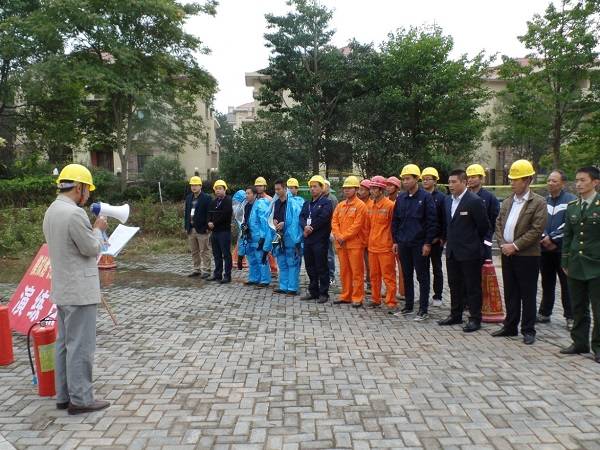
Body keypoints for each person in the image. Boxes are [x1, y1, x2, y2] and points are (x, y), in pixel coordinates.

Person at [42, 164, 110, 415]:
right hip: (80, 291)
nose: (88, 195)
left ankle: (64, 396)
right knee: (80, 346)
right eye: (87, 189)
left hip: (63, 289)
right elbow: (90, 248)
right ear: (79, 187)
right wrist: (98, 229)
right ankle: (81, 399)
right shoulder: (75, 214)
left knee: (64, 344)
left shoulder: (52, 210)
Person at [493, 160, 547, 345]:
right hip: (507, 253)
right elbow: (498, 223)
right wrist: (502, 244)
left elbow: (536, 229)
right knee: (511, 292)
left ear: (527, 180)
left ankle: (528, 329)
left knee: (528, 293)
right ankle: (510, 325)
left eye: (516, 179)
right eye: (511, 179)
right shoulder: (508, 201)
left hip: (527, 256)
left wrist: (515, 246)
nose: (512, 182)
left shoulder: (538, 202)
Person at [438, 169, 489, 332]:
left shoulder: (474, 201)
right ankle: (455, 314)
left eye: (454, 182)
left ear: (464, 182)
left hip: (470, 252)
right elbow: (448, 224)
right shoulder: (447, 200)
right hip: (452, 251)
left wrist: (474, 243)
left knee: (472, 287)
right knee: (454, 285)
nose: (451, 185)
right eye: (449, 182)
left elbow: (483, 226)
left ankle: (475, 318)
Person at [560, 166, 600, 364]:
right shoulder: (573, 206)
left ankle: (598, 346)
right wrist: (565, 260)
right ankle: (579, 342)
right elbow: (568, 236)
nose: (578, 184)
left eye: (583, 180)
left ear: (595, 182)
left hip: (596, 265)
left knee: (598, 309)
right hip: (576, 264)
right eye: (577, 180)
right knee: (578, 306)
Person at [392, 164, 437, 321]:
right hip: (404, 243)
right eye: (403, 179)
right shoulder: (401, 198)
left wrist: (428, 243)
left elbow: (432, 222)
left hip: (419, 244)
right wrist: (396, 241)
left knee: (422, 277)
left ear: (416, 179)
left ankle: (423, 309)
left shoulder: (426, 198)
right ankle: (408, 306)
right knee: (406, 275)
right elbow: (395, 221)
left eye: (408, 179)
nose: (405, 182)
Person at [537, 170, 577, 329]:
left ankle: (571, 316)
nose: (550, 183)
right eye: (549, 180)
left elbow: (570, 223)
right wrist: (544, 237)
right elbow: (538, 221)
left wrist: (553, 239)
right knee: (547, 282)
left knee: (566, 284)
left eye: (554, 181)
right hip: (545, 250)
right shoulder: (543, 201)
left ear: (563, 183)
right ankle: (545, 312)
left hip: (563, 250)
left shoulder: (571, 201)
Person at [331, 176, 367, 308]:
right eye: (345, 188)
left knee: (357, 272)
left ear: (356, 189)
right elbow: (334, 221)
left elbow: (357, 225)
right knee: (344, 271)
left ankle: (357, 297)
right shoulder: (340, 205)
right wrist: (338, 235)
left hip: (354, 245)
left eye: (349, 188)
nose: (346, 190)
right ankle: (346, 295)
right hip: (341, 245)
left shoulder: (361, 206)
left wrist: (343, 237)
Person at [266, 180, 304, 296]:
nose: (277, 191)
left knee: (292, 262)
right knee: (281, 262)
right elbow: (271, 216)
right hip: (278, 236)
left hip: (290, 237)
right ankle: (283, 286)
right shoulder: (276, 203)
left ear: (284, 188)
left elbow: (296, 220)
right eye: (275, 189)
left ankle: (292, 288)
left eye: (279, 189)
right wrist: (273, 221)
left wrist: (285, 224)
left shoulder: (292, 203)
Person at [300, 175, 333, 303]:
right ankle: (313, 291)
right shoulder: (307, 203)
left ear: (321, 188)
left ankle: (324, 293)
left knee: (321, 266)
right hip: (308, 240)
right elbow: (301, 217)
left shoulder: (326, 203)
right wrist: (305, 226)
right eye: (311, 187)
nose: (312, 189)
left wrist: (311, 228)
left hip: (320, 240)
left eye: (315, 186)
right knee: (310, 266)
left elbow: (324, 218)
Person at [365, 176, 397, 311]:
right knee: (374, 275)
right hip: (372, 247)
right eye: (371, 188)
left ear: (381, 190)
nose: (372, 191)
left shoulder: (390, 205)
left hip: (385, 247)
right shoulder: (370, 206)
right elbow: (367, 227)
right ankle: (375, 299)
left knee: (388, 276)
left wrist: (394, 243)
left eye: (375, 188)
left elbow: (395, 226)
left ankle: (391, 301)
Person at [421, 167, 446, 307]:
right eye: (423, 179)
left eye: (428, 179)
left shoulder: (441, 198)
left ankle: (438, 295)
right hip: (422, 240)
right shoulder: (419, 196)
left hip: (436, 241)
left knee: (437, 269)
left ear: (435, 181)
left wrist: (442, 237)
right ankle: (424, 295)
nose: (425, 181)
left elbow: (444, 219)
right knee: (422, 270)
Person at [467, 164, 500, 260]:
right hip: (467, 242)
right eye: (468, 177)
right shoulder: (464, 197)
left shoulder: (490, 198)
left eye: (473, 177)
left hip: (483, 242)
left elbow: (495, 220)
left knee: (485, 267)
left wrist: (487, 238)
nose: (470, 179)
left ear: (481, 179)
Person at [241, 186, 271, 287]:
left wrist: (263, 237)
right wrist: (244, 227)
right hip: (249, 236)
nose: (246, 195)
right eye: (246, 193)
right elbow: (246, 220)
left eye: (248, 193)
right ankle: (254, 278)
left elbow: (264, 222)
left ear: (254, 195)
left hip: (258, 236)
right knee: (252, 259)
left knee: (261, 258)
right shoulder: (247, 206)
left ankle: (264, 280)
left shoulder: (260, 205)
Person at [184, 176, 212, 279]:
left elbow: (209, 213)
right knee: (194, 251)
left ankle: (207, 270)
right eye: (192, 185)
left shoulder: (207, 198)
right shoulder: (189, 198)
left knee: (204, 251)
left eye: (196, 185)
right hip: (191, 229)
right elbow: (186, 213)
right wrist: (186, 226)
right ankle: (196, 270)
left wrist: (208, 227)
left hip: (202, 229)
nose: (194, 187)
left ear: (200, 186)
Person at [207, 180, 233, 283]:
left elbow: (225, 215)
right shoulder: (213, 202)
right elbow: (209, 213)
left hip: (224, 232)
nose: (217, 191)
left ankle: (227, 275)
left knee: (226, 254)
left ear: (225, 189)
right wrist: (209, 222)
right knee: (216, 254)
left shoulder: (228, 201)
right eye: (216, 189)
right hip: (214, 232)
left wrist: (214, 223)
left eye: (220, 189)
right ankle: (217, 274)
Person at [357, 179, 373, 293]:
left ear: (369, 191)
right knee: (357, 264)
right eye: (359, 189)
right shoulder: (357, 203)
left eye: (363, 190)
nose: (360, 192)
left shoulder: (372, 205)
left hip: (369, 239)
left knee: (369, 263)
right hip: (357, 238)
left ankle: (370, 283)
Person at [323, 179, 338, 286]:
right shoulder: (319, 198)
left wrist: (333, 231)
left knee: (329, 254)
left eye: (324, 185)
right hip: (321, 231)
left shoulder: (332, 199)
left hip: (329, 230)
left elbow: (335, 216)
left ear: (328, 187)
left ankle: (331, 276)